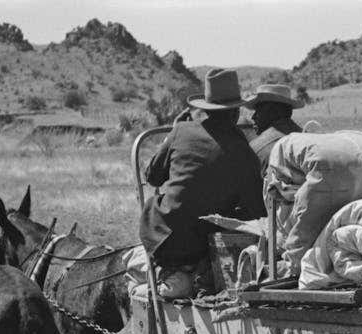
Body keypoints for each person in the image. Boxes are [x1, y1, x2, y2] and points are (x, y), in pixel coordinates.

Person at [127, 67, 265, 300]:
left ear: (206, 109)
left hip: (163, 234)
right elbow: (257, 211)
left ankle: (156, 281)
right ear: (236, 112)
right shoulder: (243, 151)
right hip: (203, 243)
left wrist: (172, 134)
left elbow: (152, 176)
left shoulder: (181, 130)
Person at [243, 83, 304, 173]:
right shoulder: (307, 138)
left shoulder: (256, 148)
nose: (253, 117)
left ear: (273, 111)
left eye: (258, 111)